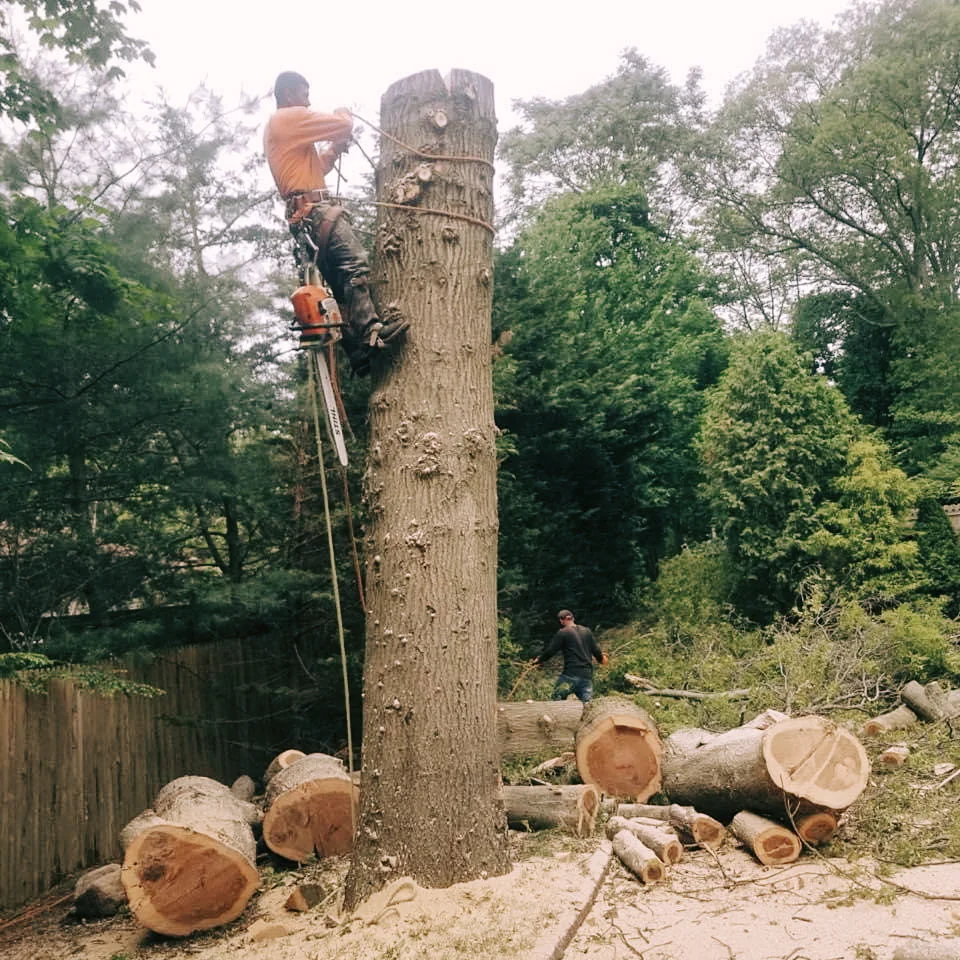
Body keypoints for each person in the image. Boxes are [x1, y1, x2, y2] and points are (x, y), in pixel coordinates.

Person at [263, 71, 409, 375]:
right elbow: (342, 123)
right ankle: (371, 330)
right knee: (355, 264)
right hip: (315, 212)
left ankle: (358, 353)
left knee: (342, 286)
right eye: (305, 94)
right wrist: (345, 113)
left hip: (306, 216)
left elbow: (314, 170)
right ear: (290, 95)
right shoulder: (287, 118)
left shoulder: (285, 131)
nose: (308, 101)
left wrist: (332, 151)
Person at [534, 609, 608, 703]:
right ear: (573, 618)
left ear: (561, 620)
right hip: (586, 676)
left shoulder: (563, 633)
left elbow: (551, 651)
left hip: (570, 675)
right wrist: (602, 659)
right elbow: (596, 650)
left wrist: (539, 660)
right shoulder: (587, 631)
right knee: (589, 706)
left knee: (557, 700)